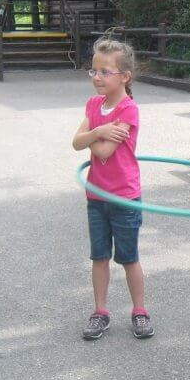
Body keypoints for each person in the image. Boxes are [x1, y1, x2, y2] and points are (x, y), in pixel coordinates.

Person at [71, 37, 154, 341]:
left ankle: (140, 310)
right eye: (94, 71)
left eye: (105, 72)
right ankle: (100, 311)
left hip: (124, 197)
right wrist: (98, 130)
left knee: (129, 257)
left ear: (124, 77)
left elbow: (103, 152)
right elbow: (76, 141)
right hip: (96, 195)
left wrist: (92, 137)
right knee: (99, 256)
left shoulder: (128, 110)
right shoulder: (93, 105)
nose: (97, 77)